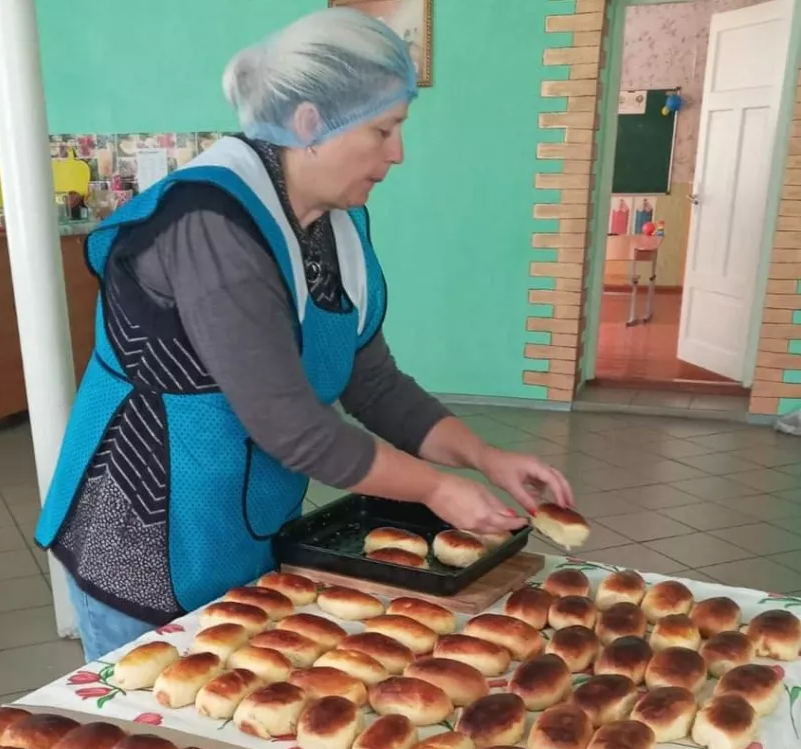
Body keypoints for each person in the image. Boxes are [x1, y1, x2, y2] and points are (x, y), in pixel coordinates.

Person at [35, 7, 574, 663]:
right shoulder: (209, 223)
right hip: (146, 529)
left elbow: (372, 383)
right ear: (312, 123)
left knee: (240, 695)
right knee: (155, 713)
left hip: (244, 517)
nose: (398, 153)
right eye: (384, 130)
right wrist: (434, 488)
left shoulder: (332, 222)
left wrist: (484, 456)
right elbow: (292, 427)